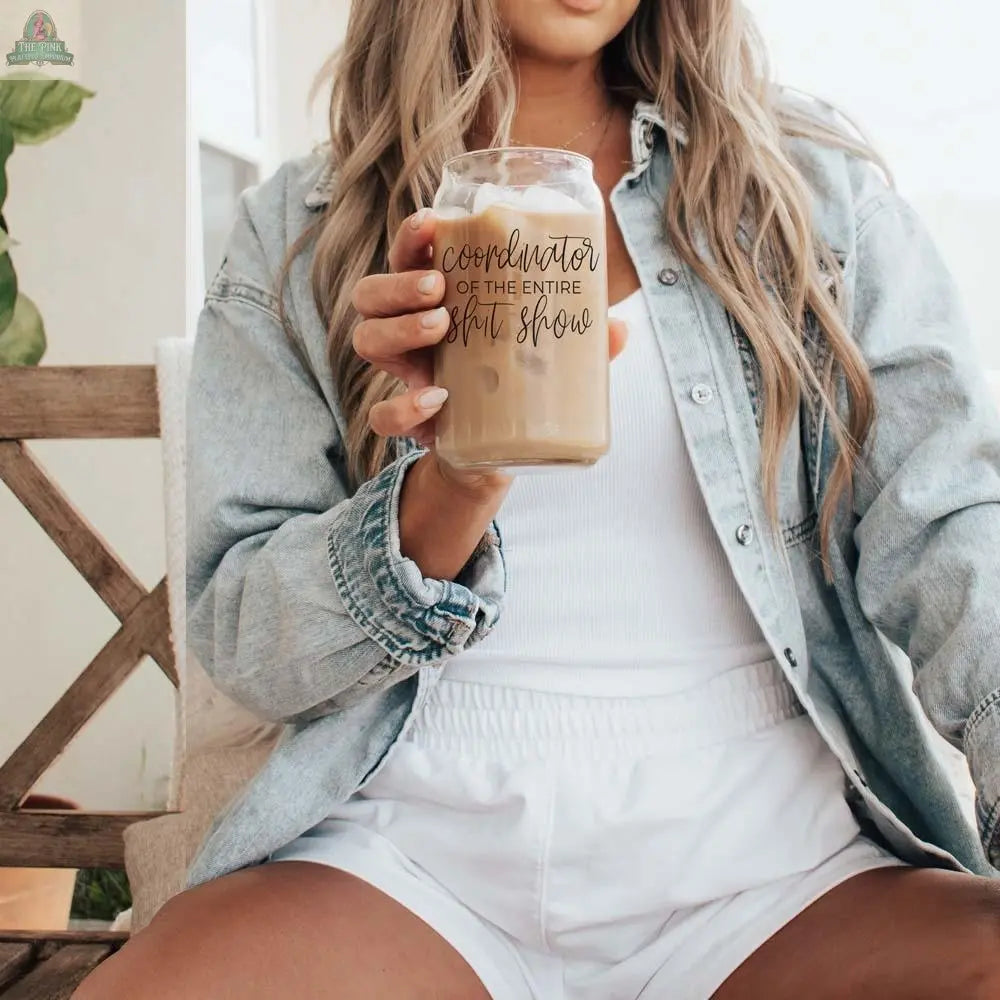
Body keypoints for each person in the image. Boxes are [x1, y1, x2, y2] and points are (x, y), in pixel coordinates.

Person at [76, 0, 1000, 997]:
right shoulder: (304, 228)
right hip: (414, 850)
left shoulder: (808, 191)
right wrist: (446, 484)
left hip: (776, 850)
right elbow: (249, 641)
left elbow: (951, 523)